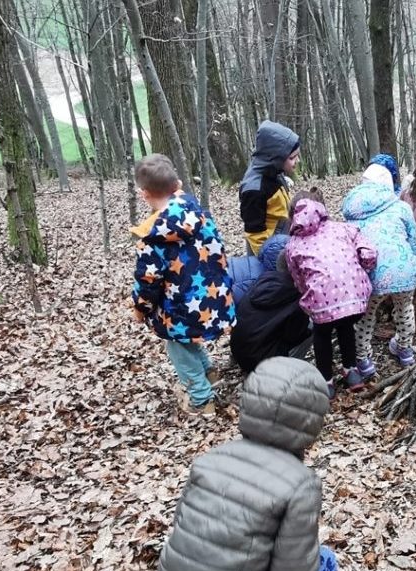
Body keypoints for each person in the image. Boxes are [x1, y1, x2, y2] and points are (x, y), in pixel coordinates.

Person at [156, 357, 338, 571]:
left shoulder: (210, 460)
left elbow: (186, 530)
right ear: (312, 422)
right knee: (324, 564)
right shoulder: (300, 483)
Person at [130, 153, 235, 416]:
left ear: (144, 194)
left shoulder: (152, 238)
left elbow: (148, 280)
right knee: (187, 338)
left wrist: (140, 308)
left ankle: (202, 401)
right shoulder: (199, 215)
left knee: (177, 345)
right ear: (177, 185)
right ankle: (209, 373)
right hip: (214, 297)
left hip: (178, 307)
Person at [284, 197, 377, 398]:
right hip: (355, 297)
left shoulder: (292, 245)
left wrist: (306, 297)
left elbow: (298, 278)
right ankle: (351, 372)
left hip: (321, 301)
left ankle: (326, 381)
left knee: (322, 334)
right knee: (346, 327)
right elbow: (367, 248)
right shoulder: (342, 228)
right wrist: (365, 268)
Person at [342, 165, 416, 375]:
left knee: (366, 316)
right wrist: (415, 262)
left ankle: (363, 360)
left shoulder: (354, 212)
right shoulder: (402, 207)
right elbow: (414, 241)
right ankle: (404, 349)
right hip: (403, 268)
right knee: (404, 308)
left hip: (372, 273)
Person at [230, 236, 312, 375]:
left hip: (240, 353)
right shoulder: (297, 298)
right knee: (312, 327)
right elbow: (294, 337)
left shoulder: (262, 280)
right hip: (263, 365)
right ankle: (289, 372)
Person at [240, 121, 301, 255]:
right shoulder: (254, 190)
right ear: (275, 157)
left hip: (283, 240)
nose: (297, 161)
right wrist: (274, 261)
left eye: (297, 156)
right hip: (269, 253)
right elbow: (256, 236)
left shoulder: (275, 172)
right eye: (292, 158)